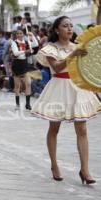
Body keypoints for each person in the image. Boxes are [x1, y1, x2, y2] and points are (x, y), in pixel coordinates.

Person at [32, 16, 101, 184]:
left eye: (71, 26)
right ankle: (54, 165)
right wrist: (73, 55)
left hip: (78, 87)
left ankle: (85, 170)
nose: (69, 29)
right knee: (54, 128)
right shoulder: (50, 48)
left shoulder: (79, 47)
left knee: (82, 129)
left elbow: (89, 67)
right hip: (58, 87)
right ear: (57, 30)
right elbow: (56, 67)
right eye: (65, 26)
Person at [11, 28, 38, 110]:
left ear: (23, 34)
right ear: (16, 35)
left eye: (21, 33)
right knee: (17, 86)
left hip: (25, 64)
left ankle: (28, 104)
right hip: (17, 65)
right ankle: (17, 104)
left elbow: (36, 45)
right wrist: (26, 51)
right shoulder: (14, 43)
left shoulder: (27, 42)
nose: (19, 35)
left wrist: (32, 36)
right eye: (18, 34)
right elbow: (16, 53)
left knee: (28, 83)